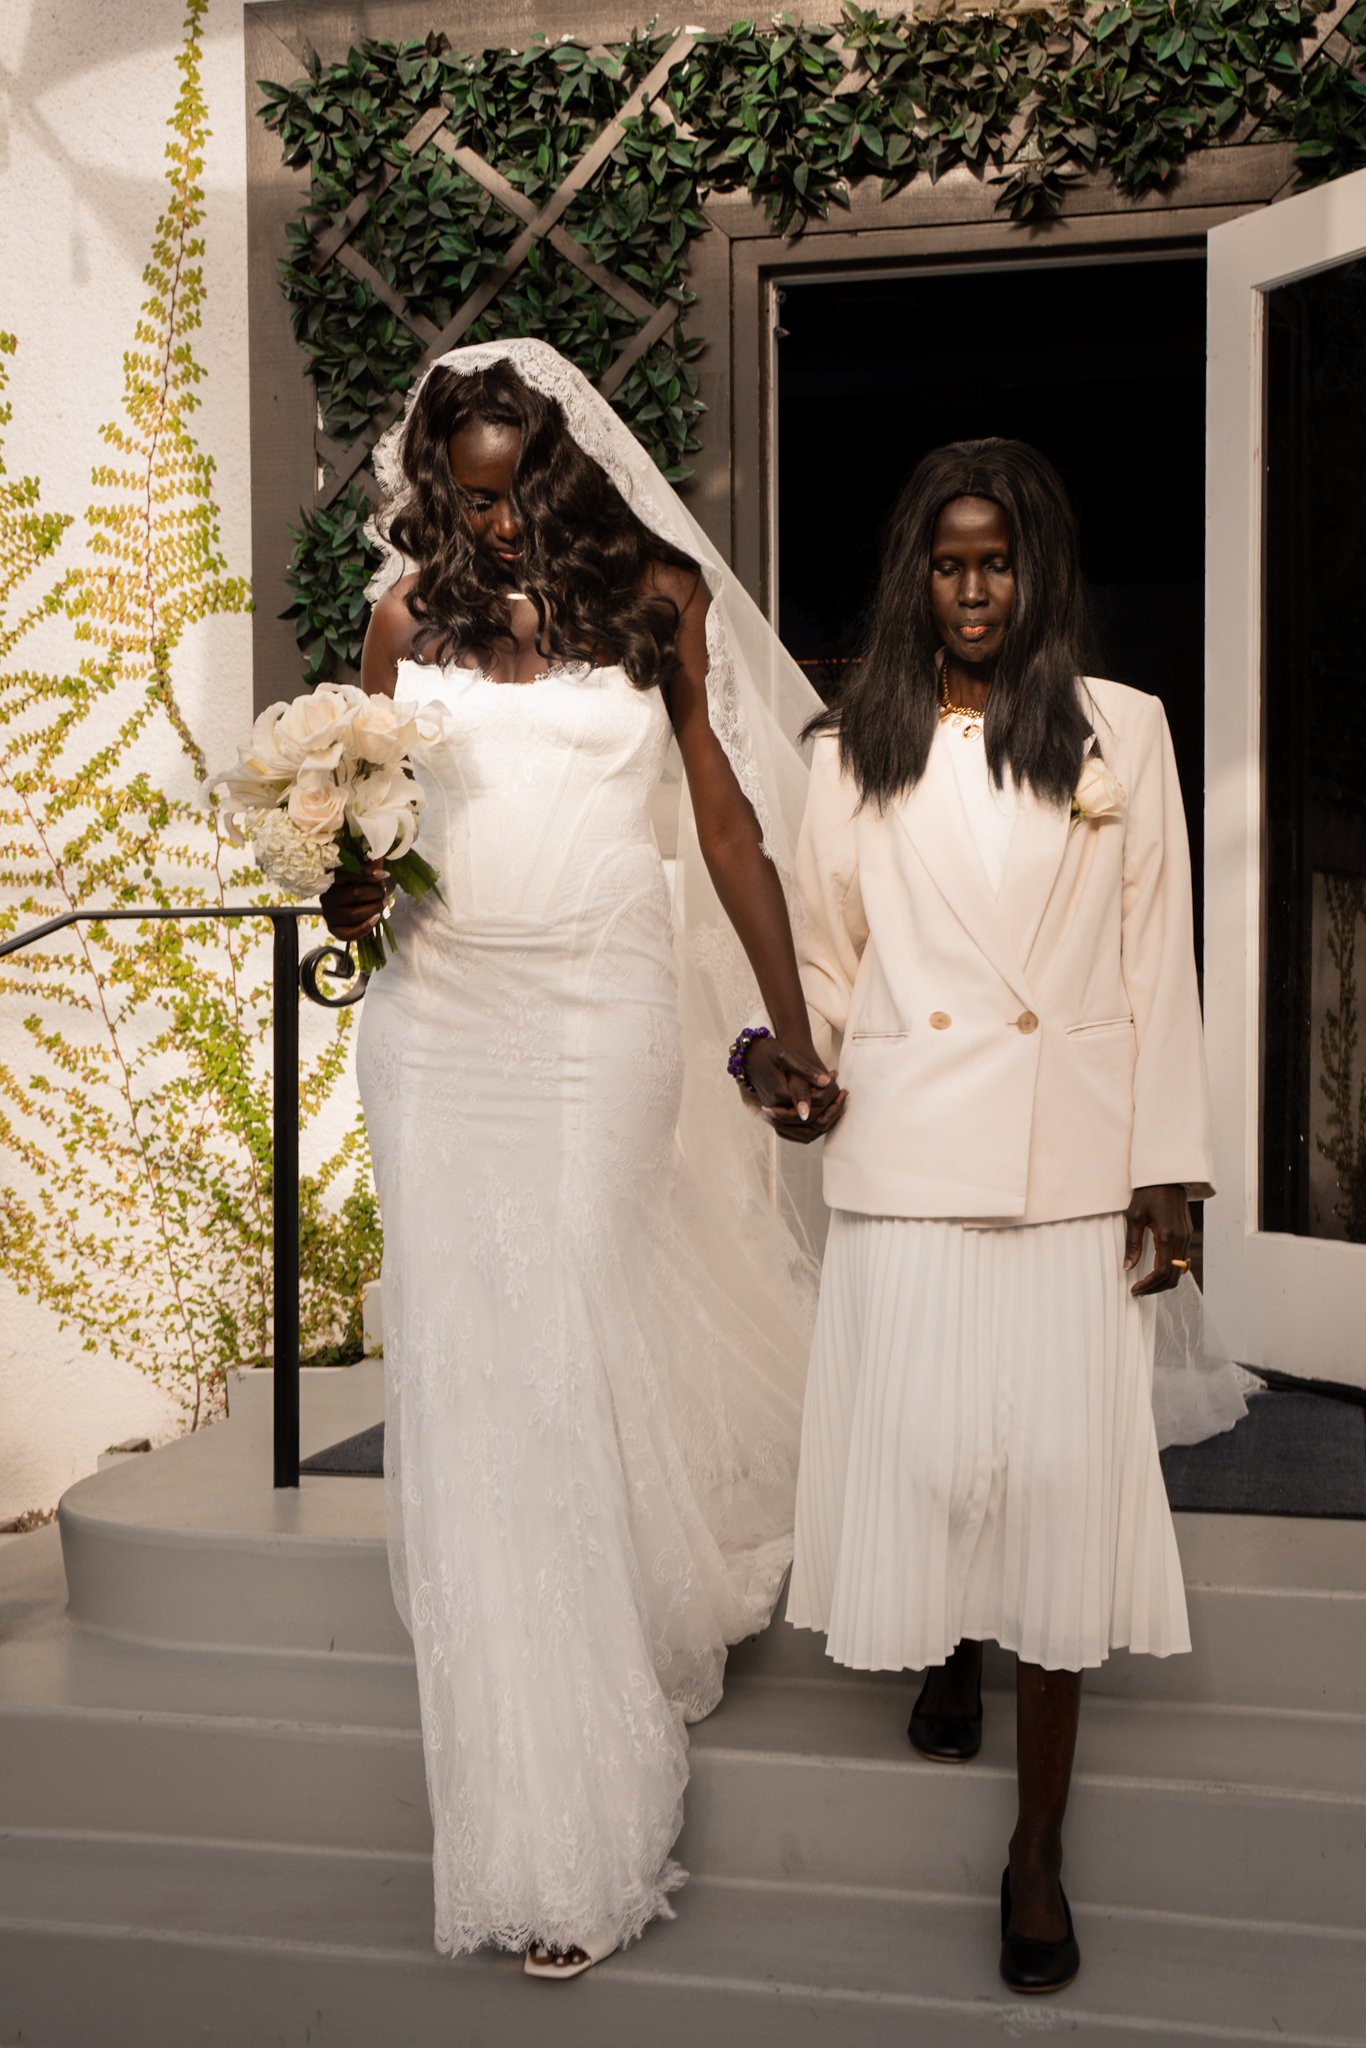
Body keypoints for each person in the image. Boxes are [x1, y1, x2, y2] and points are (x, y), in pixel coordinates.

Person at [319, 340, 838, 1978]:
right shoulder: (406, 621)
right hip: (442, 1019)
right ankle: (534, 1817)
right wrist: (334, 885)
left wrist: (791, 1021)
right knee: (474, 1380)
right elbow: (364, 838)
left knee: (563, 1350)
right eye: (455, 499)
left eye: (503, 495)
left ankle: (606, 1737)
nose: (478, 527)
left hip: (599, 1012)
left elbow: (728, 825)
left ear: (556, 472)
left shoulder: (658, 602)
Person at [744, 438, 1215, 1993]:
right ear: (913, 576)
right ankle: (950, 1641)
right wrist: (782, 1074)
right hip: (911, 1153)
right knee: (944, 1455)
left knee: (1060, 1484)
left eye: (996, 561)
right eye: (946, 562)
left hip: (1071, 1167)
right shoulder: (846, 750)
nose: (970, 588)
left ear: (1037, 573)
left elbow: (1160, 969)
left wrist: (1169, 1171)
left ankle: (1034, 1850)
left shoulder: (1122, 734)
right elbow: (820, 962)